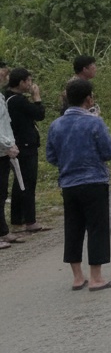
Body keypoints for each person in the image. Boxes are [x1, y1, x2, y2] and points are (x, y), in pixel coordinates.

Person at [45, 78, 111, 290]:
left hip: (68, 183)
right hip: (94, 180)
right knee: (97, 228)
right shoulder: (94, 122)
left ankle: (78, 277)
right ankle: (96, 277)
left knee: (73, 227)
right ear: (89, 99)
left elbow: (51, 156)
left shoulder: (56, 125)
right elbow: (109, 152)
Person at [5, 68, 50, 234]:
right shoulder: (17, 100)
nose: (31, 84)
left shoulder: (8, 97)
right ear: (22, 82)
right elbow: (39, 114)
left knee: (20, 183)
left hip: (18, 144)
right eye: (29, 81)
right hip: (24, 145)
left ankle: (18, 220)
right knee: (28, 182)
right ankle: (30, 220)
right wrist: (37, 98)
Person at [0, 71, 23, 247]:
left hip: (4, 151)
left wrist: (9, 145)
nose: (5, 75)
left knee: (2, 193)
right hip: (3, 148)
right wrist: (8, 144)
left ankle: (3, 231)